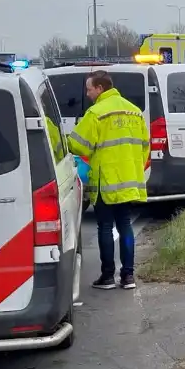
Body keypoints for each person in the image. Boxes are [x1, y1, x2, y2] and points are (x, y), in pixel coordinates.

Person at [68, 70, 149, 290]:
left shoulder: (96, 113)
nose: (87, 93)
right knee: (125, 226)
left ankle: (107, 277)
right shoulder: (135, 112)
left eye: (89, 88)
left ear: (100, 88)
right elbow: (144, 146)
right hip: (129, 180)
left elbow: (77, 145)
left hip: (106, 182)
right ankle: (129, 276)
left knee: (105, 227)